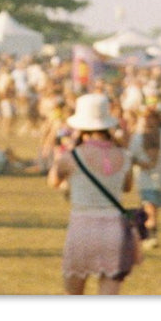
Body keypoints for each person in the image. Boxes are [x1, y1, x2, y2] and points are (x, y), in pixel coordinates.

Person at [48, 92, 137, 295]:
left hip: (82, 226)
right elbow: (127, 187)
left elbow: (53, 181)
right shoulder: (124, 155)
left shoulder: (71, 157)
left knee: (74, 292)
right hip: (114, 228)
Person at [128, 106, 161, 248]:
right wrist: (141, 163)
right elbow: (130, 157)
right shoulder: (137, 136)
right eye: (144, 118)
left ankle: (147, 233)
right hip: (144, 179)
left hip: (160, 179)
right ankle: (150, 234)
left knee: (152, 207)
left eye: (150, 117)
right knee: (149, 206)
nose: (147, 121)